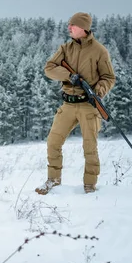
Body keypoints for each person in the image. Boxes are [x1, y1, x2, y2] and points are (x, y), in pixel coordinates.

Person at [36, 12, 116, 195]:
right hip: (68, 105)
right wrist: (68, 75)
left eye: (72, 25)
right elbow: (49, 69)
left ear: (84, 28)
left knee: (90, 147)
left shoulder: (99, 51)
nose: (69, 28)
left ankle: (89, 185)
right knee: (53, 142)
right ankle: (53, 181)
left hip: (88, 105)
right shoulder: (65, 48)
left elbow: (109, 77)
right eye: (69, 25)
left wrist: (99, 91)